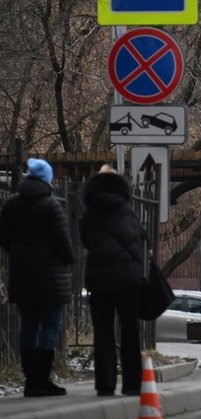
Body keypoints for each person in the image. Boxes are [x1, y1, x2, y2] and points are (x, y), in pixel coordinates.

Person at [0, 158, 74, 397]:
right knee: (50, 325)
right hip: (51, 278)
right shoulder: (51, 205)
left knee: (28, 325)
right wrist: (66, 259)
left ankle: (30, 381)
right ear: (48, 180)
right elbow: (63, 243)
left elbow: (2, 237)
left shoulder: (12, 204)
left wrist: (17, 252)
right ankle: (43, 379)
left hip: (22, 275)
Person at [80, 164, 147, 396]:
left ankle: (105, 384)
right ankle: (132, 384)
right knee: (130, 331)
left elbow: (85, 239)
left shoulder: (90, 212)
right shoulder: (128, 211)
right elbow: (142, 235)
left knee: (103, 332)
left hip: (99, 279)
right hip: (128, 280)